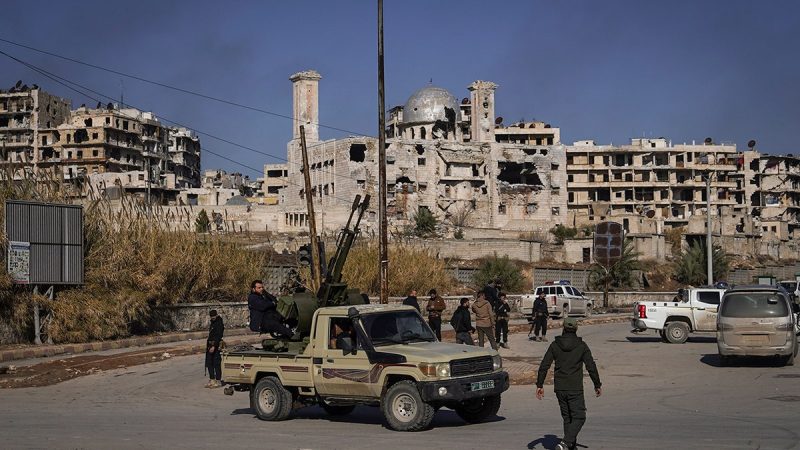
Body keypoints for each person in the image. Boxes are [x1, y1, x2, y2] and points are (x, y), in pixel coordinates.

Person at [536, 318, 602, 450]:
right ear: (576, 329)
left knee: (568, 418)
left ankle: (570, 446)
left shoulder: (555, 345)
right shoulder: (581, 346)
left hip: (560, 387)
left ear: (563, 328)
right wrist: (597, 384)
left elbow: (544, 365)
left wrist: (540, 385)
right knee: (579, 417)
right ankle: (565, 443)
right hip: (574, 388)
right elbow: (591, 366)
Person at [205, 309, 224, 388]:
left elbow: (219, 336)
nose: (212, 318)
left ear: (216, 315)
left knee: (216, 363)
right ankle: (212, 379)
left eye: (213, 316)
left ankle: (218, 380)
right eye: (211, 316)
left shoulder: (219, 323)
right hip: (210, 345)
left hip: (216, 345)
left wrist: (214, 346)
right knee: (209, 362)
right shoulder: (212, 323)